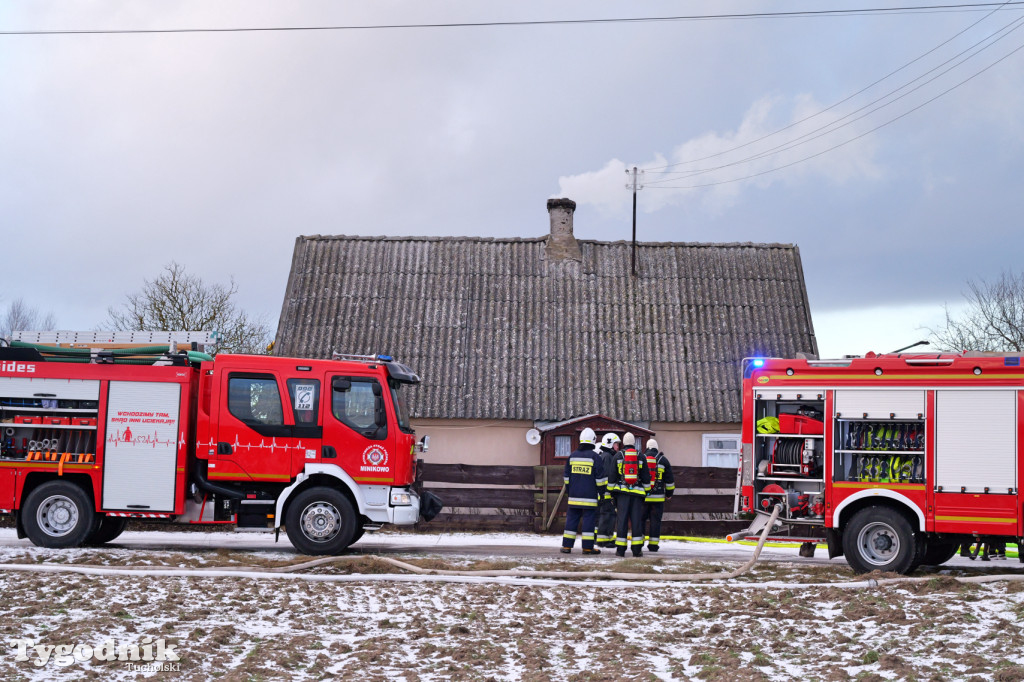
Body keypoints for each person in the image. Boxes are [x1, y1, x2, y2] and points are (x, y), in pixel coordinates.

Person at [560, 427, 607, 555]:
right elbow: (601, 480)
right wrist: (602, 493)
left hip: (574, 496)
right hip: (590, 497)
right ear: (592, 440)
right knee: (588, 522)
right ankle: (587, 548)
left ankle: (566, 546)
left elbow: (566, 478)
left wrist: (571, 492)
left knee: (571, 520)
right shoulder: (595, 457)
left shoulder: (572, 456)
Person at [607, 432, 651, 557]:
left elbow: (612, 477)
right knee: (636, 521)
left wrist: (612, 493)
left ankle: (620, 550)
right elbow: (646, 478)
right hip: (637, 496)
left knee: (622, 521)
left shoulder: (618, 456)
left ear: (624, 443)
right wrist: (645, 492)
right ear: (633, 442)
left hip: (622, 495)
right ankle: (637, 550)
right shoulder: (641, 457)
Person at [641, 439, 675, 552]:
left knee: (640, 520)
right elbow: (670, 482)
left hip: (643, 498)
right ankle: (653, 545)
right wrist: (669, 494)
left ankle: (638, 543)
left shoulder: (641, 458)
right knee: (655, 521)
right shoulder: (663, 460)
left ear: (646, 447)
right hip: (658, 498)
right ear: (656, 448)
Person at [595, 433, 620, 548]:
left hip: (605, 493)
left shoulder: (606, 456)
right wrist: (608, 493)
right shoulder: (608, 457)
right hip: (606, 493)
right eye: (616, 444)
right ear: (610, 444)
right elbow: (608, 476)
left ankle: (607, 538)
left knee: (609, 515)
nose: (617, 447)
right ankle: (603, 540)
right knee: (607, 515)